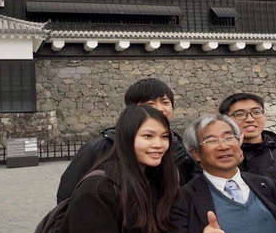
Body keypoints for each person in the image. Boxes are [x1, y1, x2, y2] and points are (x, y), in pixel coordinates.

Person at [60, 105, 181, 233]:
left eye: (165, 137)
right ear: (126, 137)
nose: (159, 144)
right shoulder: (98, 190)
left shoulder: (155, 183)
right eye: (148, 136)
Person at [56, 78, 200, 203]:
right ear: (132, 109)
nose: (160, 109)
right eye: (150, 104)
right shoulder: (103, 146)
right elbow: (69, 193)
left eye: (165, 102)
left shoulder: (177, 145)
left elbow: (192, 185)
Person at [219, 92, 276, 194]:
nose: (250, 119)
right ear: (225, 120)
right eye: (240, 114)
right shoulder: (219, 158)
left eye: (256, 112)